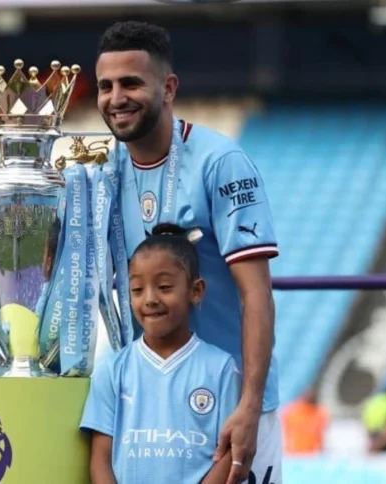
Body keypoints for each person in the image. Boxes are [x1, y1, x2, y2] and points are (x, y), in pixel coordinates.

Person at [96, 21, 282, 484]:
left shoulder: (221, 163)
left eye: (132, 83)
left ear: (169, 87)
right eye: (105, 86)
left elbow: (256, 294)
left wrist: (250, 405)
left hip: (227, 405)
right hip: (144, 411)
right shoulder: (99, 173)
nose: (116, 97)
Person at [81, 223, 239, 484]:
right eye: (137, 290)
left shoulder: (221, 368)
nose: (150, 299)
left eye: (164, 287)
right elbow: (100, 459)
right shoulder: (112, 370)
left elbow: (228, 453)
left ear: (195, 291)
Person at [281, 387, 328, 454]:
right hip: (298, 452)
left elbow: (320, 434)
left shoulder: (320, 413)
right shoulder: (292, 412)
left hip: (304, 453)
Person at [362, 385, 386, 453]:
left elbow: (366, 412)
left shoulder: (375, 400)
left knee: (374, 448)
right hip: (382, 428)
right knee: (383, 452)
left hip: (371, 426)